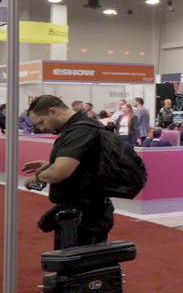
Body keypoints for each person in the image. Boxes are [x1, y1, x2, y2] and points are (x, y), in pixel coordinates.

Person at [21, 96, 115, 248]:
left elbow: (58, 173)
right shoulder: (80, 127)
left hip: (85, 217)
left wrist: (38, 177)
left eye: (41, 122)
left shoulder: (80, 130)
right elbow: (85, 164)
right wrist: (50, 165)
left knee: (77, 260)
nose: (41, 128)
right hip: (83, 213)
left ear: (53, 112)